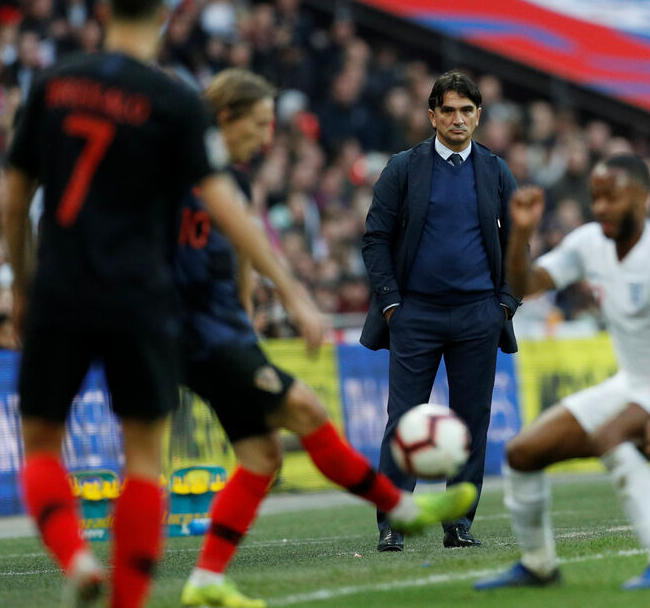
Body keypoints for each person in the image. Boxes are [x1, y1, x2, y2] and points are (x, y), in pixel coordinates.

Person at [0, 0, 392, 607]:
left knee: (40, 445)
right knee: (144, 463)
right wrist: (291, 290)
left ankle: (74, 558)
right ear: (166, 13)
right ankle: (128, 600)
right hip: (141, 299)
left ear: (100, 9)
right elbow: (228, 206)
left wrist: (20, 282)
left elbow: (13, 201)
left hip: (62, 289)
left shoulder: (54, 84)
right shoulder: (175, 102)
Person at [177, 69, 476, 608]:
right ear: (226, 119)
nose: (267, 138)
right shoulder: (177, 173)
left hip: (217, 326)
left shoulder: (235, 181)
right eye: (261, 124)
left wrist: (245, 320)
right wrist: (293, 297)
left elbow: (240, 255)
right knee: (303, 410)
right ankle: (398, 509)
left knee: (263, 455)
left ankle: (206, 580)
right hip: (175, 323)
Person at [474, 154, 650, 591]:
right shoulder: (589, 242)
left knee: (612, 437)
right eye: (596, 198)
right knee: (522, 453)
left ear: (642, 197)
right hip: (634, 385)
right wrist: (520, 235)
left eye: (613, 196)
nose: (602, 207)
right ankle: (538, 565)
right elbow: (524, 285)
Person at [361, 70, 519, 552]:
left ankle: (459, 523)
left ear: (478, 116)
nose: (457, 119)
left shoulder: (495, 170)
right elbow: (375, 238)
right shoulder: (404, 167)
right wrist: (391, 303)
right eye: (447, 110)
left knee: (473, 421)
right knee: (403, 417)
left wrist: (505, 306)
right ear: (431, 115)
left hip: (478, 315)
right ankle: (393, 520)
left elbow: (519, 242)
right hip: (415, 314)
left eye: (466, 111)